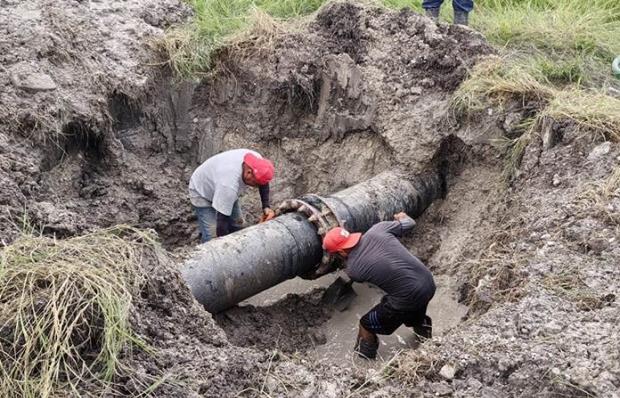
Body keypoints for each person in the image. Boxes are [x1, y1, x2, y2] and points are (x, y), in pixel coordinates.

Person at [322, 212, 436, 359]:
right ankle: (429, 345)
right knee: (415, 316)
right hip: (428, 284)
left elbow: (365, 269)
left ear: (342, 252)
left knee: (366, 324)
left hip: (407, 297)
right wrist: (401, 217)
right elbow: (409, 223)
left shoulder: (354, 270)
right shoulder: (379, 229)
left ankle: (364, 363)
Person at [189, 148, 275, 243]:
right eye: (255, 184)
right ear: (249, 173)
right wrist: (225, 246)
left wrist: (266, 207)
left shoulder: (257, 161)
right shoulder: (229, 185)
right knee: (212, 240)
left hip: (221, 186)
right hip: (201, 192)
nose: (256, 187)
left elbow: (263, 182)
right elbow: (222, 223)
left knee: (238, 226)